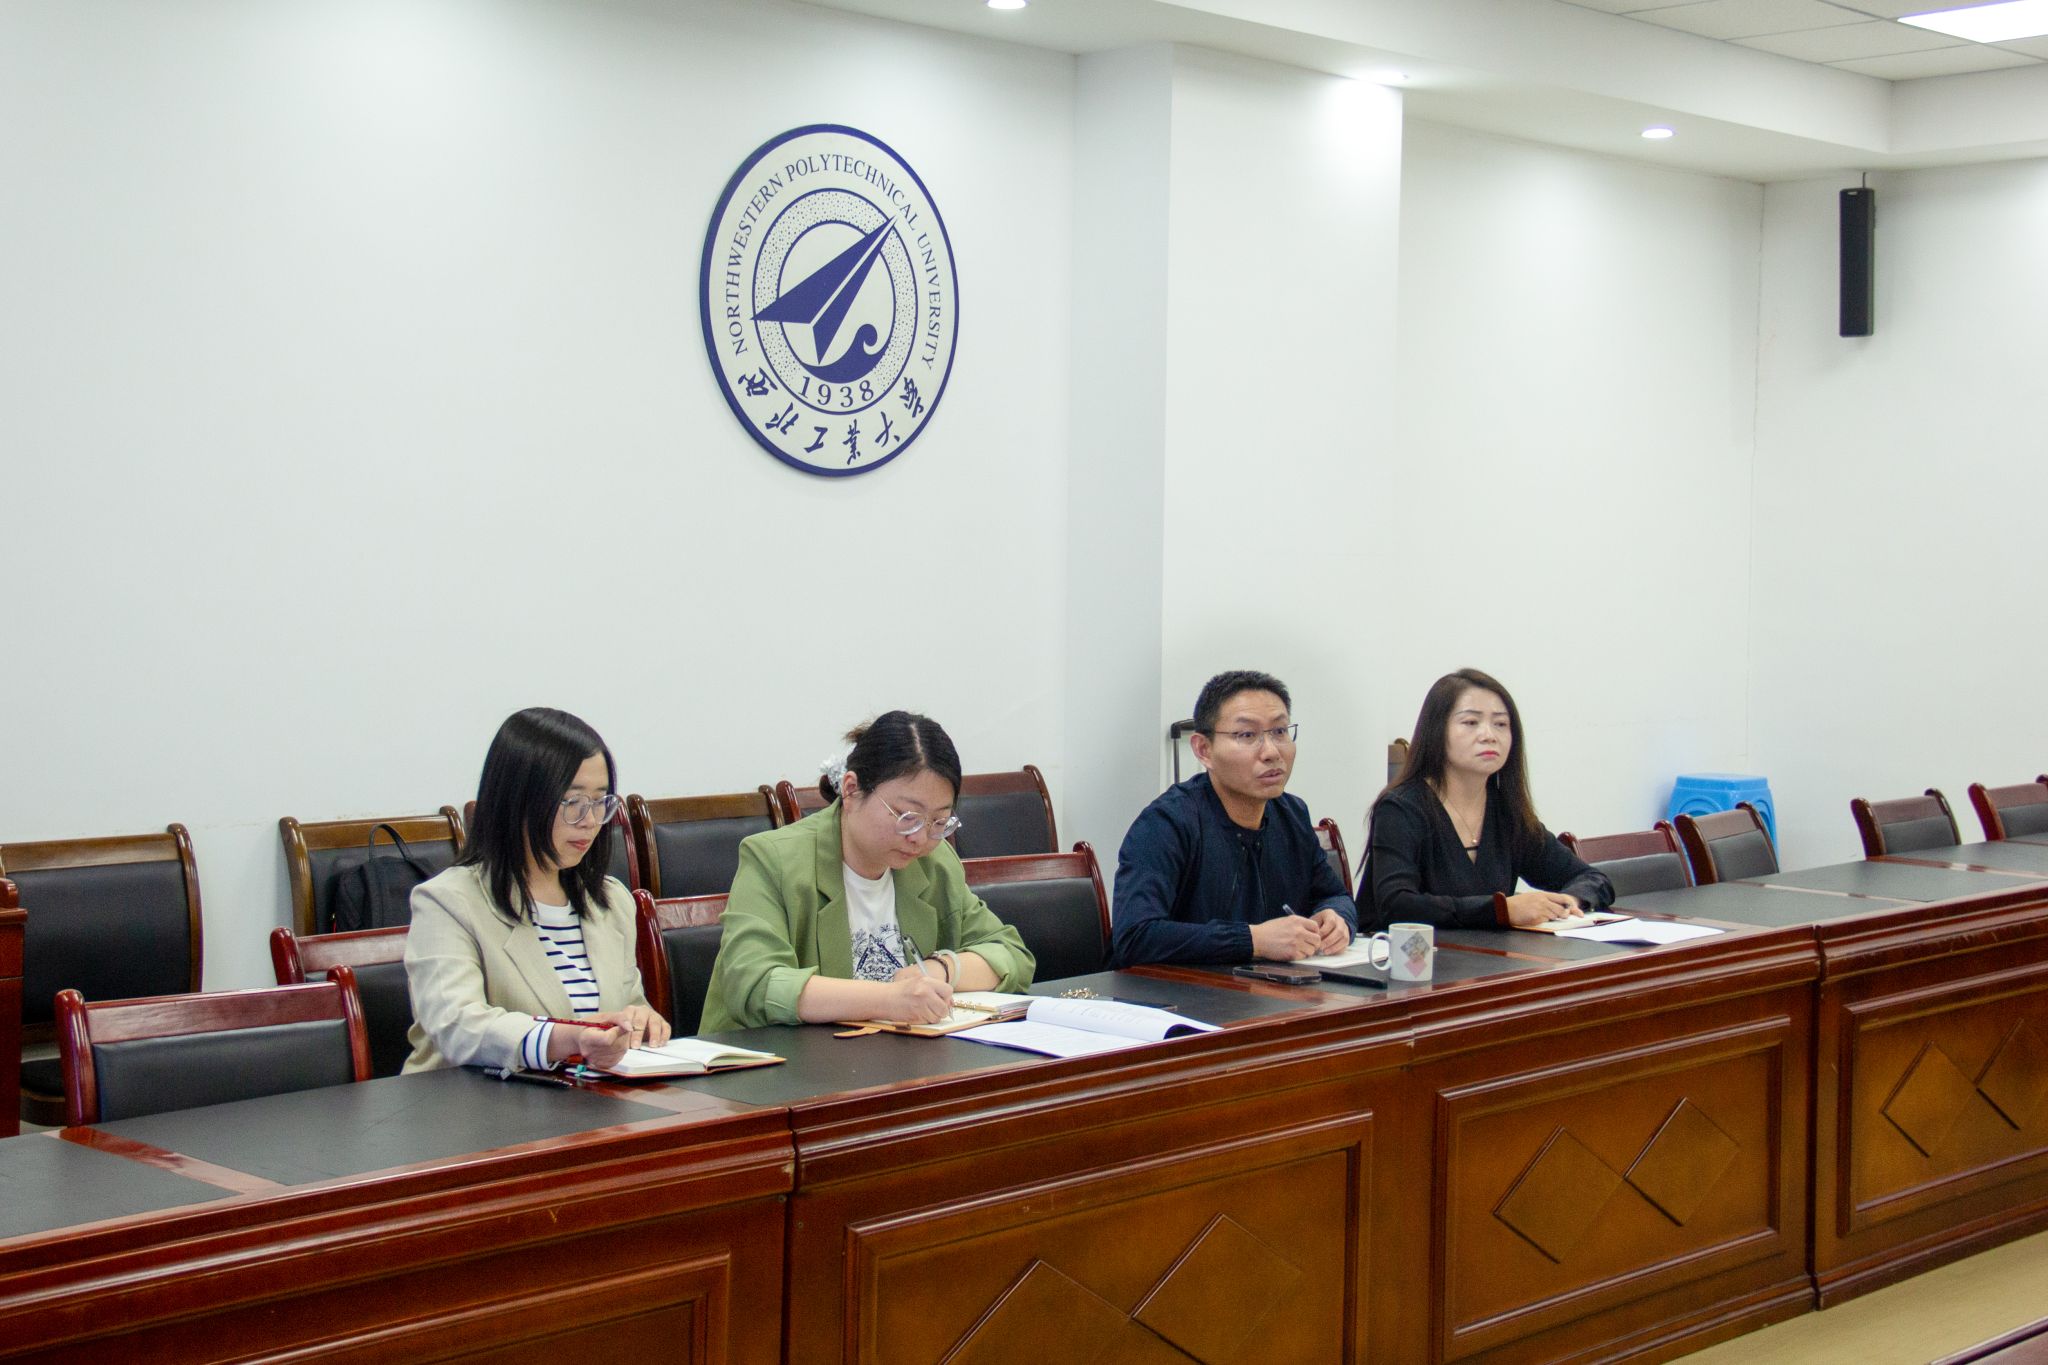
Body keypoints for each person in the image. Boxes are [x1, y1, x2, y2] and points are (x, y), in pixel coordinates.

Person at [700, 710, 1035, 1031]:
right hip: (778, 1063)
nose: (920, 838)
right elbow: (756, 983)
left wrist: (941, 969)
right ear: (851, 790)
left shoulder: (934, 863)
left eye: (938, 821)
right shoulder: (773, 859)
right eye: (907, 817)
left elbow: (1010, 953)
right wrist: (890, 999)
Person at [403, 707, 669, 1073]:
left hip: (583, 1099)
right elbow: (458, 1025)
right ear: (517, 801)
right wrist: (571, 1038)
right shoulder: (448, 901)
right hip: (470, 1103)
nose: (590, 821)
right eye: (573, 802)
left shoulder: (611, 901)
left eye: (600, 802)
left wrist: (640, 1022)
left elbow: (628, 1004)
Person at [1111, 670, 1357, 967]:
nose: (1271, 752)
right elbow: (1134, 937)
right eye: (1247, 735)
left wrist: (1337, 918)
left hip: (1268, 989)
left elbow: (1336, 896)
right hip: (1181, 991)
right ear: (1204, 750)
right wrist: (1253, 940)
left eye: (1280, 731)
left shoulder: (1292, 814)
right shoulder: (1166, 823)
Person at [1362, 668, 1612, 930]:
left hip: (1487, 953)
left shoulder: (1505, 810)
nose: (1489, 735)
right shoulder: (1401, 807)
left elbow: (1593, 879)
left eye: (1501, 724)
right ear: (1436, 731)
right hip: (1405, 953)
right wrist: (1502, 909)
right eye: (1471, 722)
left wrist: (1569, 901)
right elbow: (1397, 905)